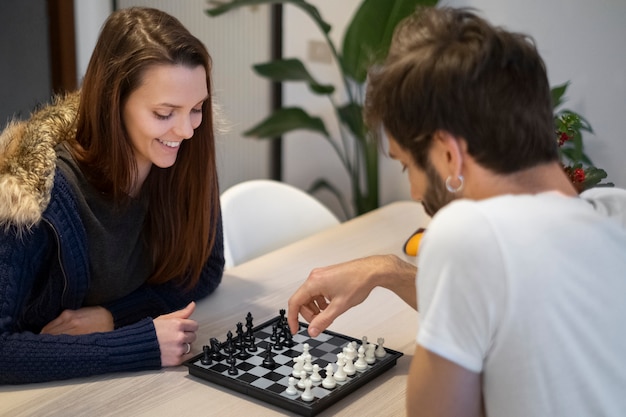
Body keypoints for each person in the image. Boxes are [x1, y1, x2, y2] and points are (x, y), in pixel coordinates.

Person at [288, 7, 626, 416]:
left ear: (449, 154)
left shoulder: (467, 232)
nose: (414, 190)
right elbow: (503, 303)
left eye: (406, 165)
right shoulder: (614, 212)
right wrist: (389, 271)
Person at [0, 7, 224, 384]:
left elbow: (205, 269)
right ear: (113, 103)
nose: (186, 130)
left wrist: (113, 316)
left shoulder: (183, 156)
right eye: (164, 112)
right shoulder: (35, 194)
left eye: (197, 109)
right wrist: (139, 345)